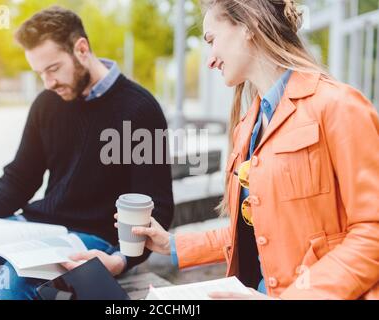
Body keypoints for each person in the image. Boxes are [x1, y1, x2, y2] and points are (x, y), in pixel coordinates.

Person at [129, 0, 379, 300]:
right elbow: (258, 232)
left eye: (212, 40)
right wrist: (169, 245)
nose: (210, 60)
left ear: (248, 27)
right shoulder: (247, 127)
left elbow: (372, 233)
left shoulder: (339, 106)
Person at [0, 6, 174, 300]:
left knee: (13, 279)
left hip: (94, 240)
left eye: (53, 69)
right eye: (40, 73)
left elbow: (157, 206)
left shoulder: (139, 109)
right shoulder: (47, 102)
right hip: (36, 229)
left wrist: (123, 260)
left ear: (81, 49)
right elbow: (20, 177)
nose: (48, 83)